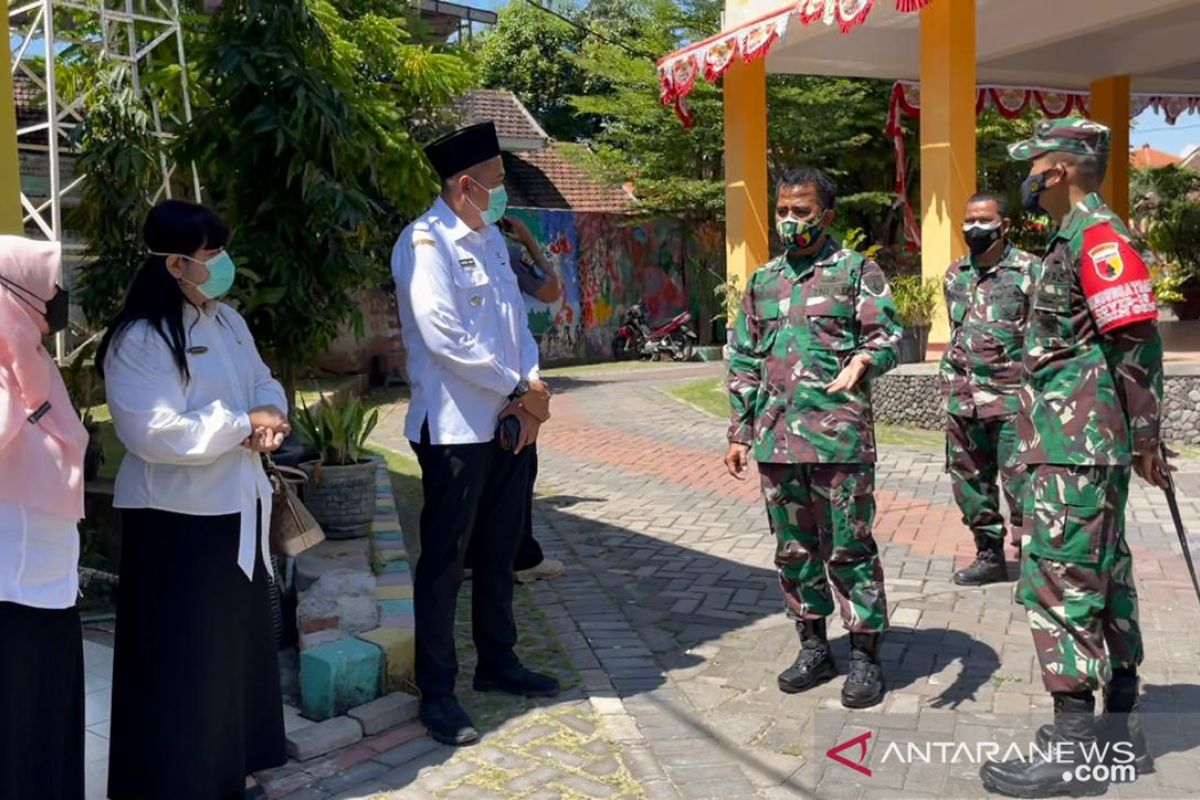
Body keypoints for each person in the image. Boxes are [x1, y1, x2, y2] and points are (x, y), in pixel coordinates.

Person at [980, 118, 1164, 797]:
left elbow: (1137, 344)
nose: (1025, 180)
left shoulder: (1098, 238)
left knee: (1061, 586)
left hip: (1078, 444)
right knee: (1104, 577)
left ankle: (1075, 753)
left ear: (1056, 172)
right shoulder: (1075, 237)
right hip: (1074, 440)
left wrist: (1146, 438)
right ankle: (1115, 733)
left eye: (1032, 168)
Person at [99, 200, 289, 800]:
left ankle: (231, 767)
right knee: (184, 661)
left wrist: (271, 417)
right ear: (176, 263)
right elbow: (150, 431)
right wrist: (240, 424)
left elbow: (262, 380)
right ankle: (184, 782)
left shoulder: (227, 321)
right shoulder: (141, 339)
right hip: (177, 524)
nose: (224, 264)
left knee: (234, 654)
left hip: (238, 509)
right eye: (213, 255)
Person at [393, 121, 560, 747]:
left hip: (508, 422)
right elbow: (443, 337)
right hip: (455, 428)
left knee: (499, 549)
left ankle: (499, 662)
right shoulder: (424, 243)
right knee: (444, 560)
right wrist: (516, 386)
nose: (501, 195)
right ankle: (436, 692)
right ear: (465, 185)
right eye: (494, 184)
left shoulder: (489, 238)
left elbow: (519, 325)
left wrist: (531, 387)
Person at [723, 167, 901, 709]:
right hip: (777, 442)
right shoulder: (763, 280)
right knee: (794, 551)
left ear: (826, 215)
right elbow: (745, 358)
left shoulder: (855, 272)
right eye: (782, 211)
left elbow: (888, 335)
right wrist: (739, 430)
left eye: (801, 212)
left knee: (849, 548)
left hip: (839, 440)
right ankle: (814, 648)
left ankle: (865, 655)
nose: (789, 222)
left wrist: (866, 359)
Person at [0, 236, 88, 800]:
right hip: (9, 597)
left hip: (52, 587)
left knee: (49, 727)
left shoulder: (34, 363)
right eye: (47, 284)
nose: (57, 297)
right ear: (14, 294)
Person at [939, 191, 1038, 586]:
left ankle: (1033, 569)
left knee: (1022, 488)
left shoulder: (1031, 271)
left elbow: (1043, 336)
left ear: (1004, 225)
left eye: (983, 221)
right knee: (970, 485)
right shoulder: (954, 274)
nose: (974, 229)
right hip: (963, 400)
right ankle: (989, 555)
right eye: (969, 221)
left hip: (1014, 399)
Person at [463, 215, 566, 584]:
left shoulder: (494, 251)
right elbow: (552, 291)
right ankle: (518, 557)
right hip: (502, 384)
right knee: (513, 468)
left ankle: (480, 556)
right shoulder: (500, 253)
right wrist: (530, 245)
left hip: (493, 383)